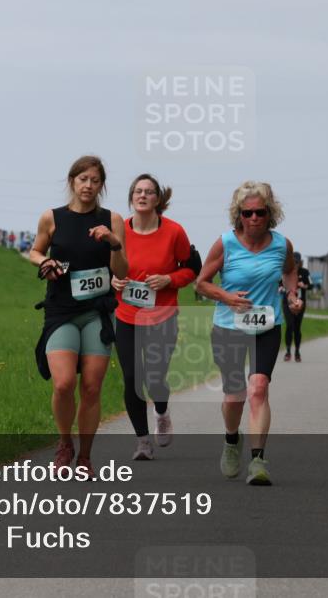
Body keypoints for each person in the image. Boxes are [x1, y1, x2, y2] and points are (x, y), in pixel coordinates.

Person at [196, 181, 303, 486]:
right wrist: (226, 297)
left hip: (266, 325)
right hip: (229, 326)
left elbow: (290, 270)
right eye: (248, 213)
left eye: (260, 212)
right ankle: (232, 441)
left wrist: (293, 295)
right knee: (235, 396)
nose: (254, 218)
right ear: (238, 215)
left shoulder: (282, 244)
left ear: (271, 213)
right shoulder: (225, 243)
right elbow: (201, 283)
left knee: (258, 388)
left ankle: (258, 460)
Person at [29, 155, 128, 477]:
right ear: (72, 181)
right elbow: (35, 250)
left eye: (95, 180)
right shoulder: (52, 217)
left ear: (102, 185)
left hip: (96, 312)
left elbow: (123, 271)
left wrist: (114, 244)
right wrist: (44, 263)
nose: (88, 185)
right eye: (82, 179)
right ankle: (64, 443)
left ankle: (85, 456)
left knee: (91, 388)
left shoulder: (112, 219)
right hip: (61, 311)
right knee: (63, 383)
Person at [111, 174, 199, 461]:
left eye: (149, 192)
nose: (143, 195)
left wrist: (169, 279)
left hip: (162, 316)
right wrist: (114, 281)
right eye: (137, 191)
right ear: (131, 197)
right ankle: (142, 441)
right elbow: (108, 267)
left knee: (155, 377)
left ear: (158, 199)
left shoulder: (174, 232)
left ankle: (161, 411)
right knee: (132, 377)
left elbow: (190, 271)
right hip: (126, 316)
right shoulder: (119, 230)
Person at [282, 252, 311, 362]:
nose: (295, 264)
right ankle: (288, 351)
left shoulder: (305, 272)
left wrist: (304, 285)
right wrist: (282, 288)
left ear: (300, 262)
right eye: (293, 262)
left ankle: (297, 352)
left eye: (297, 262)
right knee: (289, 325)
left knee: (297, 328)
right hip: (287, 302)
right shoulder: (285, 272)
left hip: (300, 302)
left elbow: (311, 285)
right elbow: (279, 283)